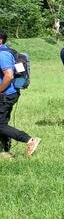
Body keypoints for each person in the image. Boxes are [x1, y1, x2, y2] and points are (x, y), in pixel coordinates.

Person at [0, 29, 41, 160]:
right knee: (3, 123)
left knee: (0, 125)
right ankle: (5, 150)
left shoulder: (2, 55)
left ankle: (29, 140)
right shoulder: (7, 51)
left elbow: (9, 75)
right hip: (9, 94)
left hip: (5, 95)